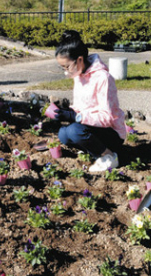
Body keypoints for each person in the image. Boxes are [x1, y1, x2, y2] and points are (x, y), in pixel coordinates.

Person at [53, 30, 126, 172]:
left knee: (74, 131)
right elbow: (81, 107)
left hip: (111, 132)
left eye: (67, 67)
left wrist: (76, 117)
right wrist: (67, 111)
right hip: (91, 127)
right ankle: (94, 150)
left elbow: (106, 118)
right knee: (63, 134)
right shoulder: (79, 75)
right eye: (62, 68)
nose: (65, 72)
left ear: (79, 60)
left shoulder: (103, 78)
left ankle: (109, 156)